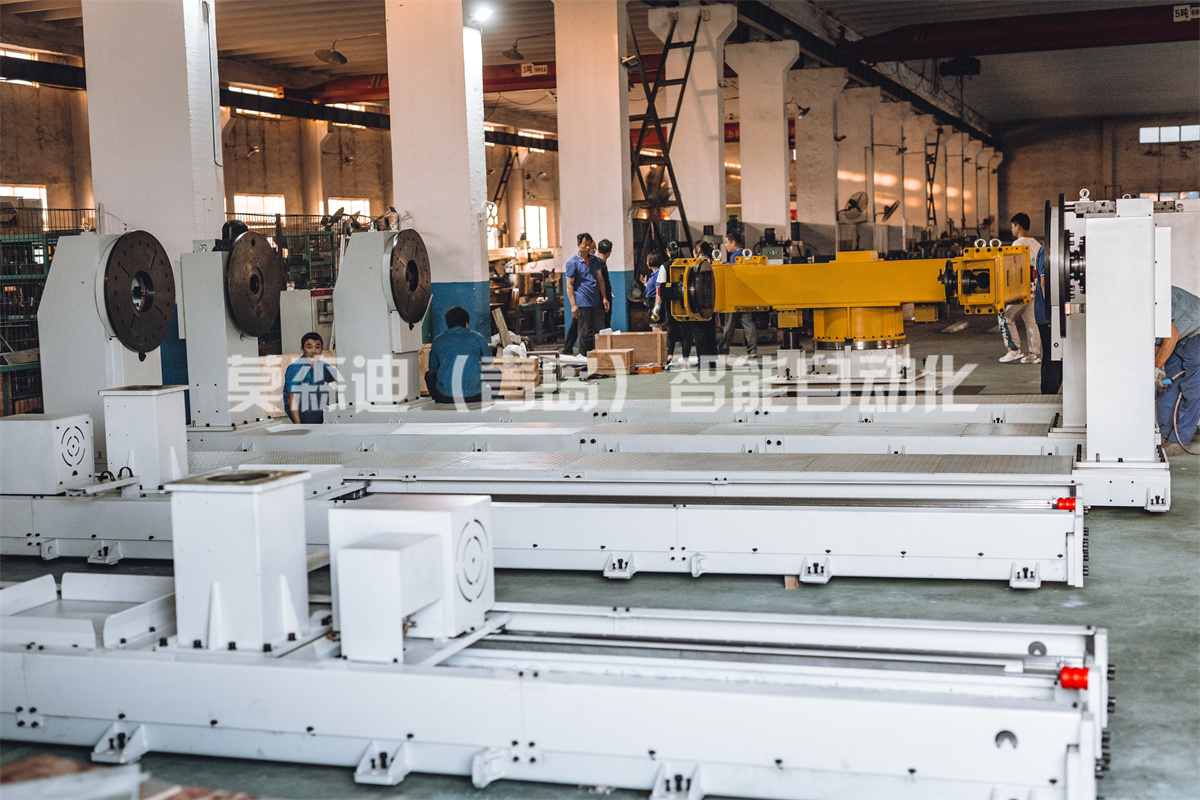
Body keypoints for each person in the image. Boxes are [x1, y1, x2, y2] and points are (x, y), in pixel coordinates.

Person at [1155, 285, 1200, 454]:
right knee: (1166, 385)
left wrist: (1155, 367)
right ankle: (1165, 435)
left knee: (1193, 390)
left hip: (1196, 332)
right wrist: (1159, 371)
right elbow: (1156, 341)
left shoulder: (1153, 298)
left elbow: (1170, 335)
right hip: (1180, 336)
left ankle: (1180, 441)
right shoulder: (1136, 305)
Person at [998, 213, 1042, 364]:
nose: (1012, 229)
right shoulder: (1037, 244)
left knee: (1004, 316)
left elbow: (1013, 268)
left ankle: (1014, 349)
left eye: (1012, 226)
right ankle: (1034, 354)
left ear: (1018, 226)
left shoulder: (1017, 244)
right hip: (1035, 290)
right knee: (1032, 323)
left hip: (1021, 290)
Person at [427, 306, 491, 404]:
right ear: (466, 323)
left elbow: (432, 368)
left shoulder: (438, 340)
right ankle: (488, 399)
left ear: (448, 323)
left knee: (429, 376)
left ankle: (439, 401)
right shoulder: (478, 337)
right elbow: (488, 362)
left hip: (447, 397)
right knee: (495, 372)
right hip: (476, 396)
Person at [564, 232, 609, 356]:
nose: (588, 247)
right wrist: (573, 305)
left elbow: (600, 280)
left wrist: (604, 298)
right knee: (584, 334)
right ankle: (584, 358)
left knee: (600, 332)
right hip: (582, 303)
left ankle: (601, 356)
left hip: (597, 301)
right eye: (585, 244)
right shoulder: (572, 263)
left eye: (589, 244)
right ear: (578, 244)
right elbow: (569, 285)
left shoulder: (595, 260)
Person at [718, 232, 757, 358]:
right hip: (746, 295)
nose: (725, 246)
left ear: (733, 242)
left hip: (733, 296)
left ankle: (723, 349)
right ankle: (752, 350)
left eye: (726, 242)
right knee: (748, 322)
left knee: (729, 323)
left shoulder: (735, 255)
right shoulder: (746, 254)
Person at [284, 332, 337, 424]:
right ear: (302, 349)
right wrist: (298, 425)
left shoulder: (322, 365)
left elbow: (342, 377)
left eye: (317, 347)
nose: (313, 351)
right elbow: (291, 398)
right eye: (309, 347)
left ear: (322, 349)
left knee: (337, 393)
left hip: (317, 406)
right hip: (303, 411)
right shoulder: (295, 368)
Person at [1032, 241, 1062, 394]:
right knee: (1053, 357)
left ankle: (1049, 393)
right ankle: (1049, 394)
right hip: (1047, 315)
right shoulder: (1047, 249)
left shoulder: (1051, 247)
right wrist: (1052, 311)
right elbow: (1044, 282)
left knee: (1053, 356)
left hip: (1047, 313)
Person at [596, 238, 615, 330]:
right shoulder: (601, 264)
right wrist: (605, 298)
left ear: (597, 249)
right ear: (610, 252)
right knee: (604, 323)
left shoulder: (593, 263)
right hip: (602, 298)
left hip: (595, 298)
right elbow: (601, 282)